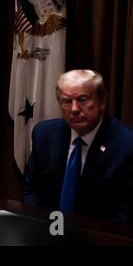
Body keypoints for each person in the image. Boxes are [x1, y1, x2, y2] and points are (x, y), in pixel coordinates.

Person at [23, 69, 133, 222]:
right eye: (67, 102)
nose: (74, 109)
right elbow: (31, 191)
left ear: (102, 102)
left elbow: (126, 213)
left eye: (82, 99)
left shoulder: (127, 144)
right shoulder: (44, 134)